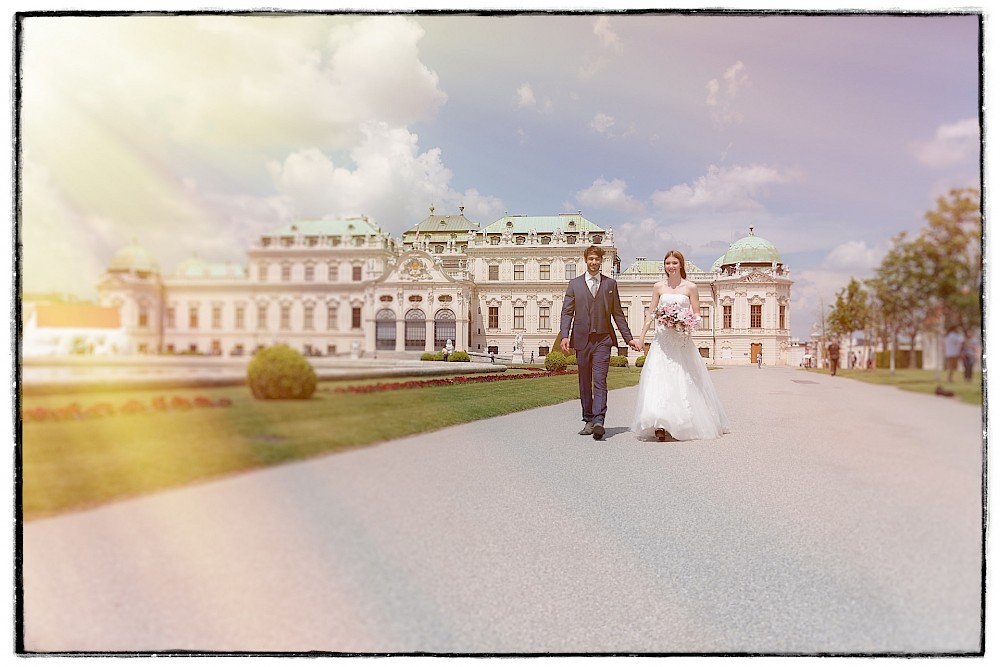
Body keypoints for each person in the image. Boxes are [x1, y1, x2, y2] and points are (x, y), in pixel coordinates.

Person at [630, 250, 730, 442]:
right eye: (668, 263)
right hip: (663, 341)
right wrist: (641, 337)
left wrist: (687, 322)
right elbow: (651, 313)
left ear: (681, 265)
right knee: (658, 378)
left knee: (683, 379)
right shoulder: (658, 287)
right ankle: (659, 424)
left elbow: (698, 313)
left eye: (674, 263)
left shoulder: (690, 287)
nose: (671, 266)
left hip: (681, 341)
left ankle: (683, 422)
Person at [560, 245, 642, 440]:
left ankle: (599, 421)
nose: (594, 262)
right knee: (584, 382)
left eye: (597, 259)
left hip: (603, 340)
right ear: (586, 260)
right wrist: (565, 335)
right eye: (591, 259)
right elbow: (567, 312)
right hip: (581, 340)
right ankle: (588, 419)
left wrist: (628, 338)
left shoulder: (610, 285)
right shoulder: (574, 284)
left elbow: (618, 314)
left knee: (600, 380)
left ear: (601, 261)